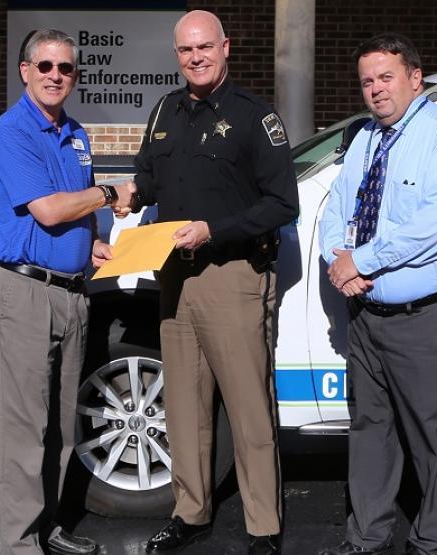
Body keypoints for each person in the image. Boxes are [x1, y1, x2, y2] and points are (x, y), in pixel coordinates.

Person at [104, 10, 298, 555]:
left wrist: (215, 230)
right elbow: (150, 174)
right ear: (177, 54)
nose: (196, 58)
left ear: (225, 47)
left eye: (205, 48)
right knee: (185, 407)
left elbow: (283, 204)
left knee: (248, 407)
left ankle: (264, 527)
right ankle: (191, 512)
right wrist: (132, 192)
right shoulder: (166, 109)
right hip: (174, 276)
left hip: (232, 275)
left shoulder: (255, 117)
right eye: (186, 50)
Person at [317, 33, 437, 555]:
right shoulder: (366, 138)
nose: (375, 90)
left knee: (433, 434)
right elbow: (337, 207)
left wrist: (360, 260)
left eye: (386, 77)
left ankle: (432, 542)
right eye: (367, 81)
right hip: (365, 312)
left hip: (422, 317)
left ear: (415, 78)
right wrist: (337, 262)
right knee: (369, 430)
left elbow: (435, 226)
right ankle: (366, 537)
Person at [0, 28, 131, 555]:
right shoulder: (11, 131)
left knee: (60, 425)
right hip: (26, 294)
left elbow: (74, 215)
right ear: (25, 70)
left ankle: (48, 527)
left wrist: (88, 246)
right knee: (24, 429)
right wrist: (111, 192)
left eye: (65, 68)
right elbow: (48, 209)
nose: (55, 76)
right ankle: (20, 545)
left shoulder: (77, 134)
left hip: (72, 292)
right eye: (44, 66)